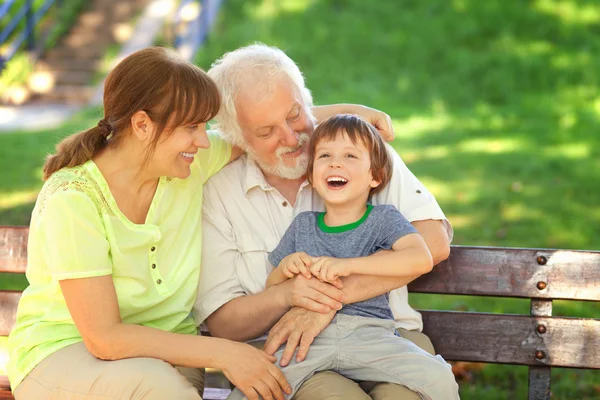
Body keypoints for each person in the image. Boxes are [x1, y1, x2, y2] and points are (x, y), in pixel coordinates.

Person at [6, 46, 295, 400]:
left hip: (171, 359)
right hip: (66, 353)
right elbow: (104, 338)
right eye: (191, 126)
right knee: (157, 387)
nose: (204, 140)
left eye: (204, 126)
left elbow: (264, 129)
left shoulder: (188, 164)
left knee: (161, 383)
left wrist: (353, 115)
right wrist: (225, 353)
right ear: (142, 124)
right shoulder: (74, 199)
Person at [195, 43, 454, 399]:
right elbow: (225, 323)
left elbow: (433, 243)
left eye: (294, 114)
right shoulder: (221, 193)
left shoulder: (358, 153)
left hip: (390, 336)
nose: (290, 137)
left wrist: (324, 304)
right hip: (291, 352)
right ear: (238, 139)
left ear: (308, 100)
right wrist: (288, 296)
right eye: (267, 132)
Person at [227, 114, 459, 399]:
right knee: (252, 389)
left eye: (350, 155)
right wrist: (286, 268)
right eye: (325, 155)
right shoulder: (303, 225)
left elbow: (420, 258)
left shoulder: (385, 220)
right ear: (312, 176)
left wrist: (346, 266)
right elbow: (273, 285)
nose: (336, 163)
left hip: (371, 336)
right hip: (309, 342)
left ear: (375, 176)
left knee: (438, 377)